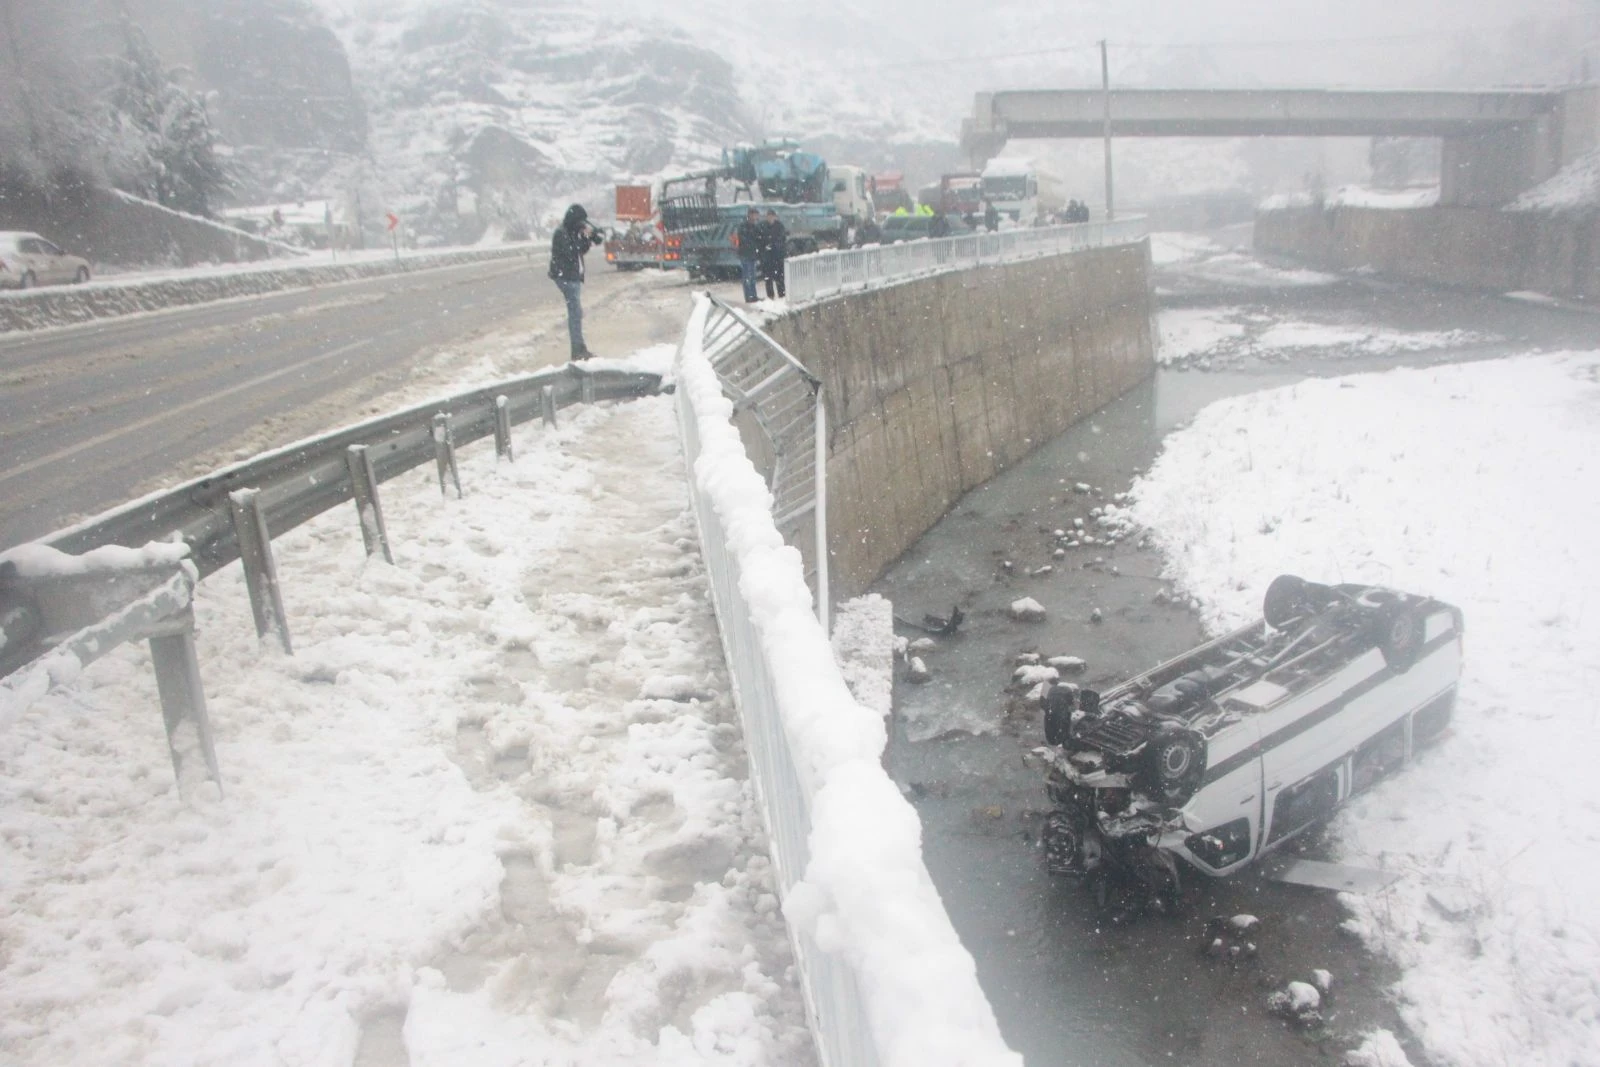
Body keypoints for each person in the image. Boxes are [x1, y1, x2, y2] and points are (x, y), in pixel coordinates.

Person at [548, 203, 604, 360]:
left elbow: (581, 250)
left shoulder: (570, 232)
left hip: (572, 277)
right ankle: (577, 350)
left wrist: (588, 238)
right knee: (575, 313)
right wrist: (584, 236)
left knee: (576, 313)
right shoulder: (561, 233)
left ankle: (579, 348)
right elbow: (571, 252)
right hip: (566, 278)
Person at [758, 208, 787, 300]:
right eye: (768, 216)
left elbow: (782, 238)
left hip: (777, 255)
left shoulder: (779, 226)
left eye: (772, 216)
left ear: (775, 217)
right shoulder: (762, 226)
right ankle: (770, 295)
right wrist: (765, 246)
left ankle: (781, 294)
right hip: (767, 257)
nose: (770, 218)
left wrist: (775, 244)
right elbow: (760, 239)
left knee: (779, 277)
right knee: (768, 277)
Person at [735, 207, 763, 302]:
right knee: (747, 276)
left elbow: (758, 238)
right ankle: (749, 296)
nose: (756, 217)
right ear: (750, 215)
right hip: (745, 254)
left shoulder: (755, 226)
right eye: (755, 215)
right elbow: (744, 239)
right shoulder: (744, 226)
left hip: (751, 254)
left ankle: (753, 295)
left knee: (752, 276)